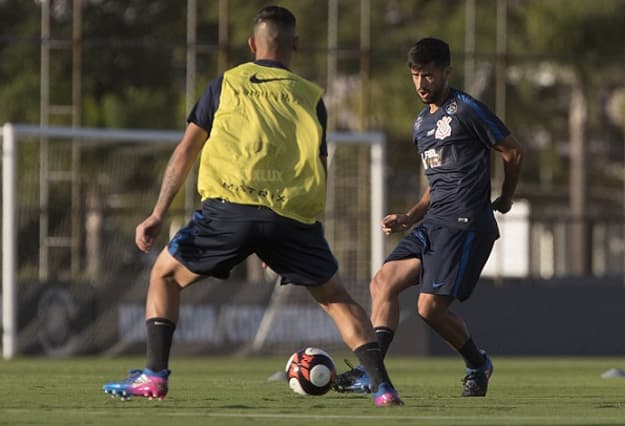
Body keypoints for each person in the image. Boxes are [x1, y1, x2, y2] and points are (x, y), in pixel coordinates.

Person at [102, 5, 402, 407]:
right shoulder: (311, 97)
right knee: (336, 298)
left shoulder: (226, 84)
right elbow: (318, 167)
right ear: (295, 44)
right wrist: (287, 233)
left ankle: (154, 376)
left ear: (250, 45)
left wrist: (158, 212)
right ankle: (382, 387)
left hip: (229, 209)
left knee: (165, 277)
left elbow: (186, 151)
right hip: (291, 217)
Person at [333, 37, 523, 397]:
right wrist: (409, 217)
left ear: (446, 73)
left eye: (429, 76)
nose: (421, 84)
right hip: (434, 222)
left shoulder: (467, 109)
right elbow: (436, 184)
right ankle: (369, 372)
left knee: (429, 309)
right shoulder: (421, 123)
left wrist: (507, 197)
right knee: (383, 282)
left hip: (465, 223)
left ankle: (477, 363)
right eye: (415, 75)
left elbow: (513, 152)